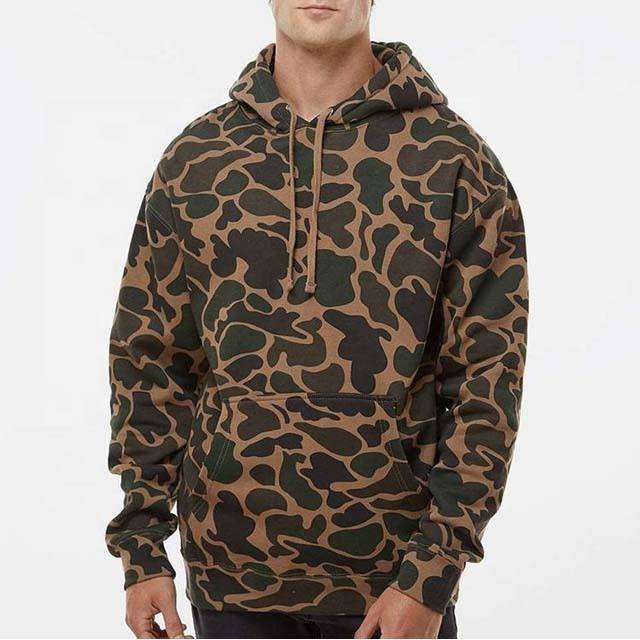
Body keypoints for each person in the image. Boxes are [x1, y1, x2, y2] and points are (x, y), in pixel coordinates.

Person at [106, 0, 529, 637]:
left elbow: (487, 383)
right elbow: (150, 360)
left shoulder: (453, 161)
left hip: (395, 585)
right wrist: (141, 550)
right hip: (230, 577)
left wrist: (432, 574)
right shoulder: (196, 160)